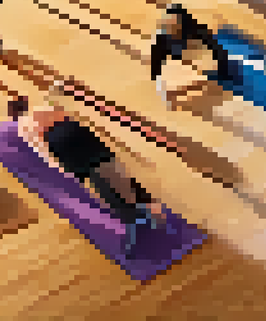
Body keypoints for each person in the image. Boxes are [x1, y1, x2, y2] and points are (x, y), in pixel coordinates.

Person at [9, 96, 167, 258]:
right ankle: (146, 214)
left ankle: (141, 219)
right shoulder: (45, 109)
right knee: (116, 178)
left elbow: (41, 149)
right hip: (82, 140)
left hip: (71, 150)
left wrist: (64, 171)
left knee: (108, 189)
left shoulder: (25, 125)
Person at [149, 4, 236, 107]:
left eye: (173, 24)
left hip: (208, 63)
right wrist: (155, 76)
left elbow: (217, 50)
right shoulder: (163, 38)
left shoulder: (197, 32)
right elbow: (156, 58)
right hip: (187, 59)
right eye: (168, 24)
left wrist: (221, 70)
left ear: (181, 24)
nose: (170, 27)